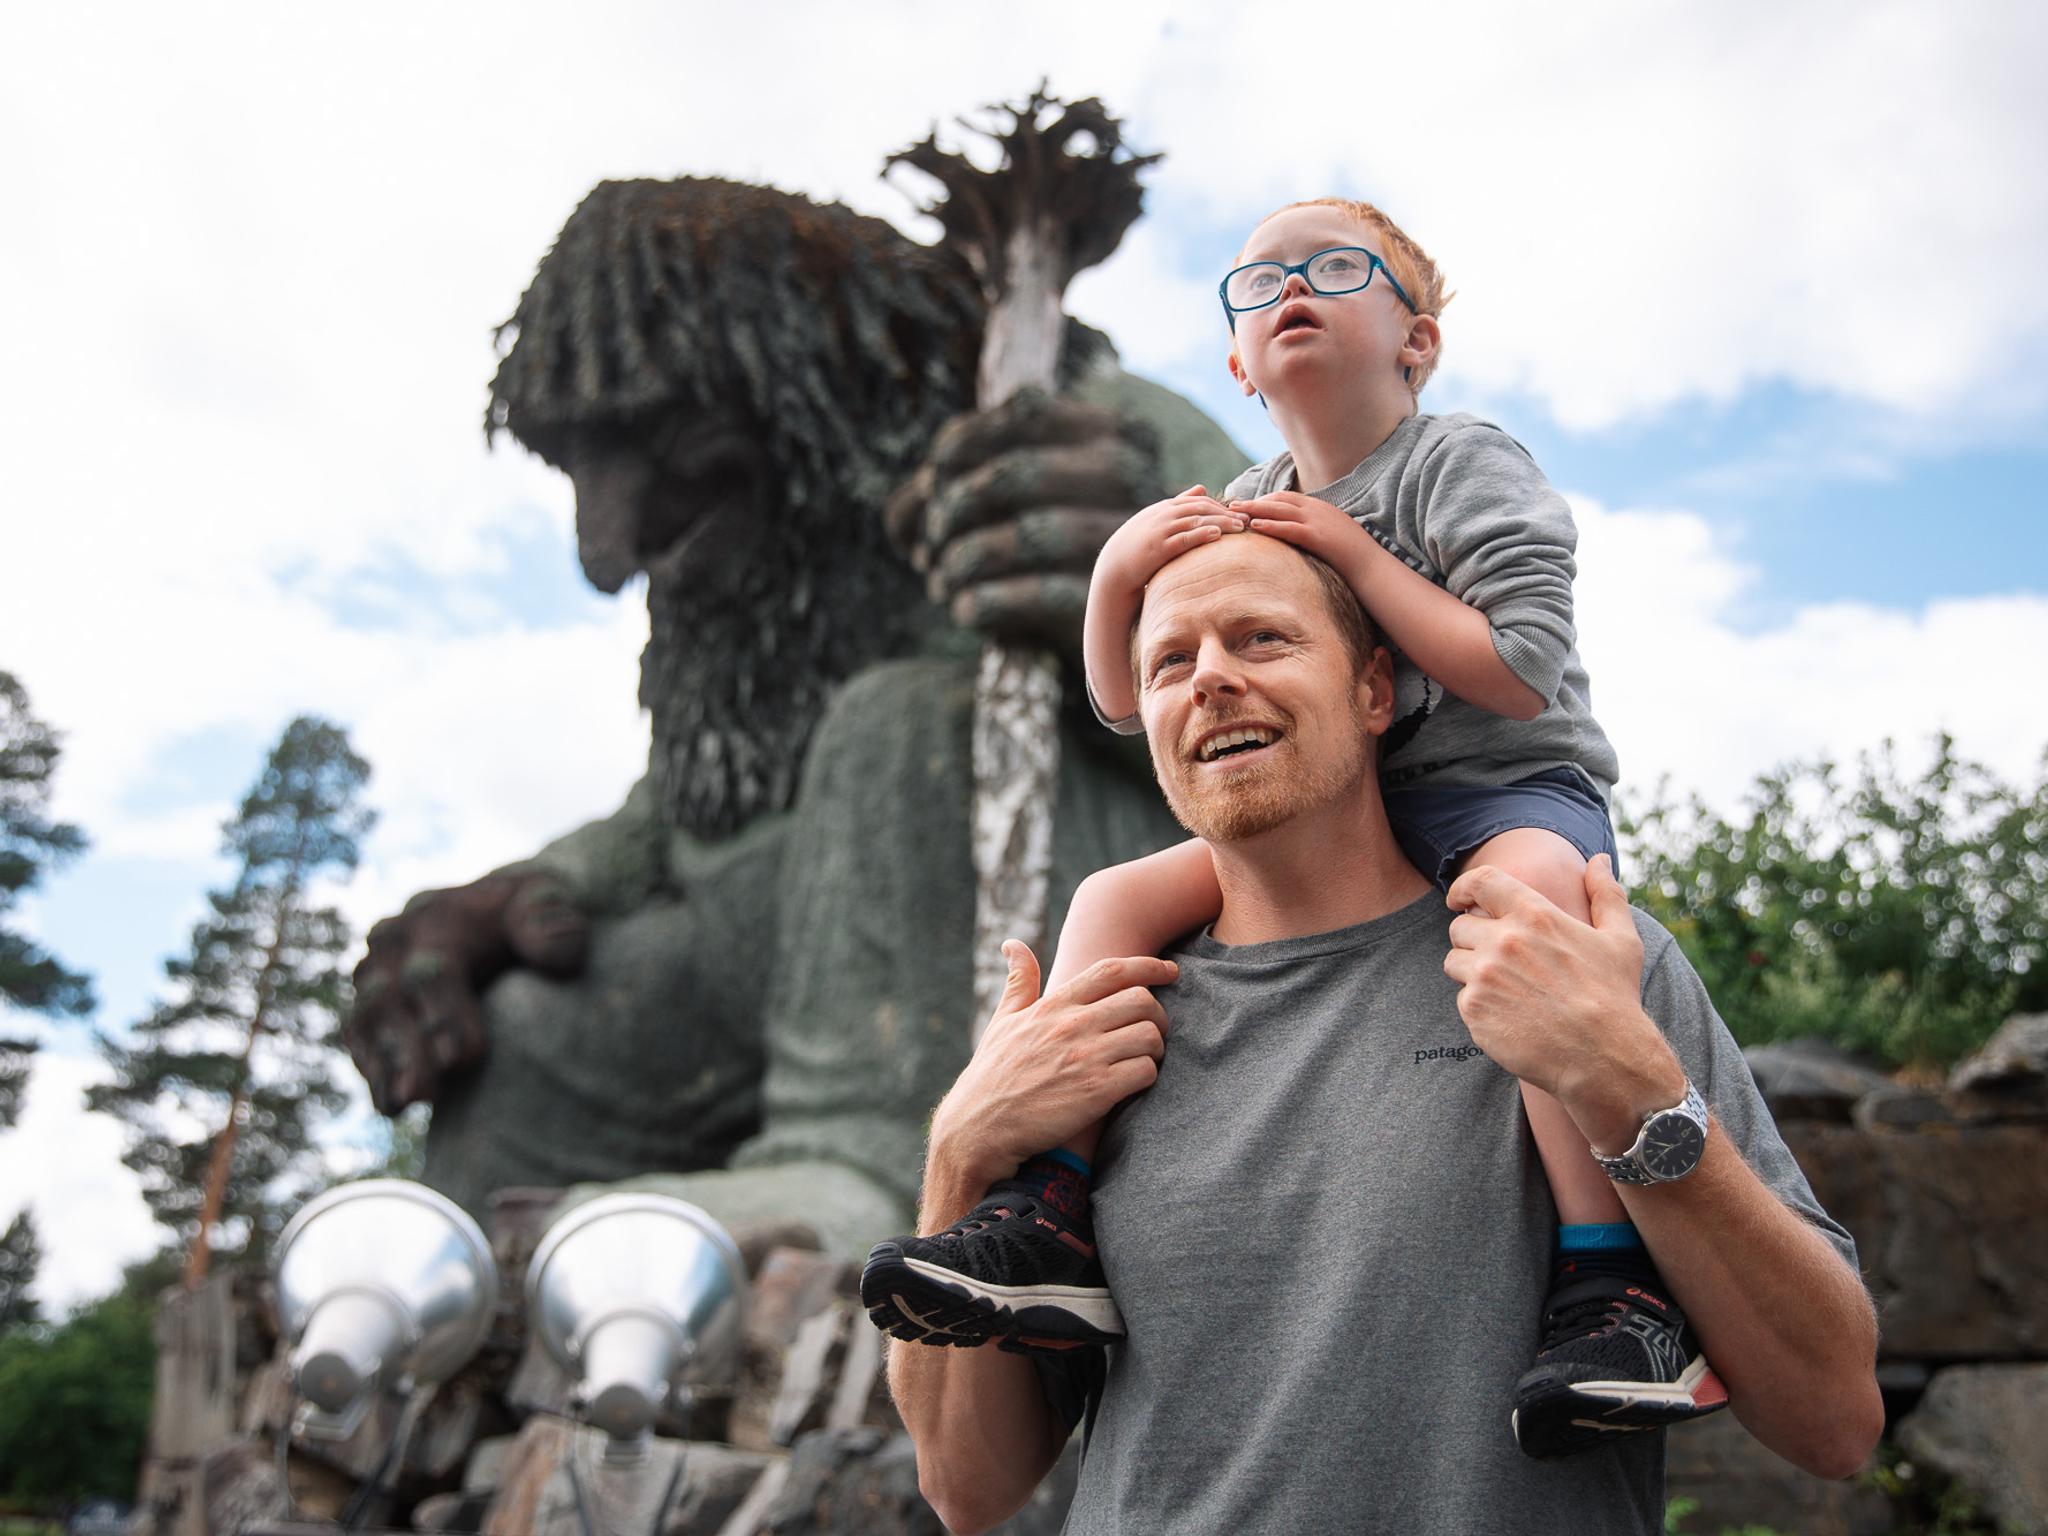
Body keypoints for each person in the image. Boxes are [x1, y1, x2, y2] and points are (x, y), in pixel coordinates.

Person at [865, 195, 1710, 1452]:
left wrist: (1356, 563)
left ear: (1414, 342)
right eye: (1257, 283)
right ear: (1238, 366)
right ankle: (1048, 1209)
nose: (1290, 288)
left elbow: (1519, 669)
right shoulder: (1252, 500)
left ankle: (1608, 1283)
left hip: (1504, 789)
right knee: (1109, 898)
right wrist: (1116, 574)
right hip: (1350, 807)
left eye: (1332, 268)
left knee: (1529, 908)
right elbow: (1122, 700)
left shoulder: (1456, 463)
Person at [883, 530, 1882, 1534]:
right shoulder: (1095, 1018)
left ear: (1374, 690)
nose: (1211, 678)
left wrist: (1630, 1088)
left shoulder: (1571, 962)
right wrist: (963, 1149)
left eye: (1261, 638)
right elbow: (967, 1487)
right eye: (1169, 662)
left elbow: (1832, 1422)